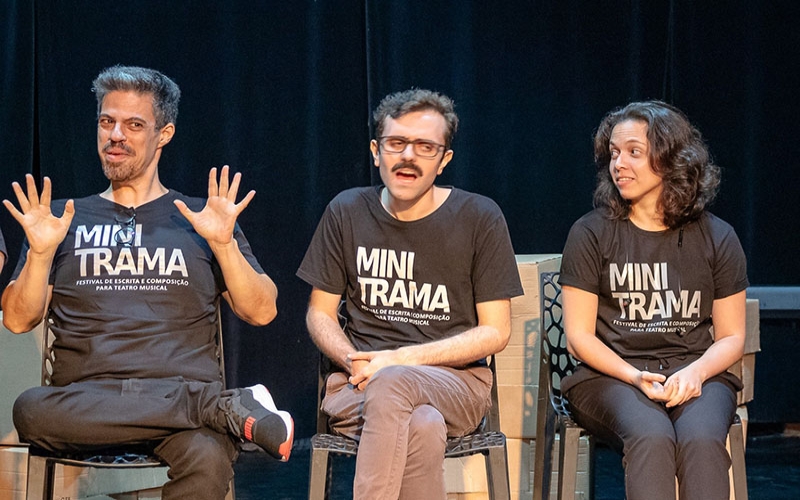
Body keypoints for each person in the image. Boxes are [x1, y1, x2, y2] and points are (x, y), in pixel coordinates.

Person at [1, 65, 293, 500]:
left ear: (164, 134)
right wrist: (41, 254)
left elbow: (262, 310)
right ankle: (221, 407)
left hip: (178, 396)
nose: (116, 135)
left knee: (208, 457)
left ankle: (210, 408)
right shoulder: (62, 217)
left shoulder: (200, 218)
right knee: (29, 410)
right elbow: (19, 320)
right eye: (107, 121)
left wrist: (224, 244)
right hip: (87, 403)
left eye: (134, 124)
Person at [297, 88, 524, 500]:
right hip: (357, 384)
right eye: (396, 143)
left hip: (456, 384)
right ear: (376, 151)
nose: (408, 156)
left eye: (425, 146)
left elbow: (496, 332)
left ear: (444, 160)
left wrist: (398, 361)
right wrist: (355, 360)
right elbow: (319, 313)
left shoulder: (479, 217)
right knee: (421, 423)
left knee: (397, 383)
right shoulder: (346, 211)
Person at [559, 100, 748, 500]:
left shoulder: (718, 237)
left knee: (699, 441)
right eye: (613, 153)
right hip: (610, 375)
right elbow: (579, 337)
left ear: (670, 159)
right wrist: (633, 376)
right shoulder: (591, 233)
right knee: (651, 435)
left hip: (695, 371)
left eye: (633, 152)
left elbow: (732, 336)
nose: (619, 164)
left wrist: (695, 374)